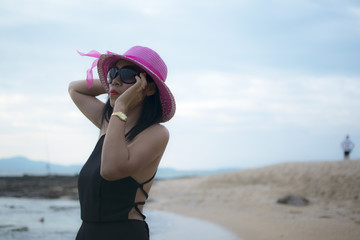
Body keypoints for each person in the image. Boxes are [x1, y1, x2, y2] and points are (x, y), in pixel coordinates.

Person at [68, 46, 176, 240]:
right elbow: (74, 88)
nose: (115, 79)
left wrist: (122, 104)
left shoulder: (156, 133)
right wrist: (115, 83)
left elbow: (110, 169)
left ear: (148, 87)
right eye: (113, 72)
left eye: (127, 74)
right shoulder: (107, 122)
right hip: (86, 234)